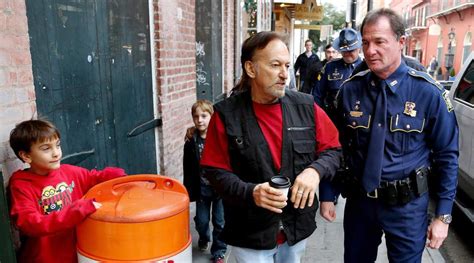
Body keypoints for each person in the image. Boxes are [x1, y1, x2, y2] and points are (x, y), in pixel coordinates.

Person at [320, 8, 459, 262]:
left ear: (401, 42)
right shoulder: (350, 91)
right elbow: (334, 146)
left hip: (407, 208)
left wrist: (443, 216)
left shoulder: (427, 93)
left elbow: (447, 155)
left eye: (379, 42)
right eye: (365, 43)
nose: (370, 50)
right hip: (360, 204)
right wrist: (327, 194)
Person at [200, 31, 341, 262]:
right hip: (250, 234)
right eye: (275, 65)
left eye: (286, 65)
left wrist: (315, 171)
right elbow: (215, 171)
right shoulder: (226, 115)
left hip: (296, 229)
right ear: (251, 69)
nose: (285, 74)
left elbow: (333, 150)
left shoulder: (306, 107)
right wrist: (251, 192)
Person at [8, 119, 126, 263]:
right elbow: (30, 223)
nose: (56, 153)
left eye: (57, 145)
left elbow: (94, 178)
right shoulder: (22, 185)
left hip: (77, 254)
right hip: (44, 258)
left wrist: (116, 176)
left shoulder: (69, 172)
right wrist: (76, 211)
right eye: (46, 148)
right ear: (26, 156)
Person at [183, 99, 226, 263]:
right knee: (201, 222)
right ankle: (204, 237)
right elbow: (187, 167)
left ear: (211, 117)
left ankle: (219, 252)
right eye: (196, 116)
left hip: (220, 189)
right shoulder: (191, 141)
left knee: (220, 222)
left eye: (204, 116)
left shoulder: (220, 137)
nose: (199, 120)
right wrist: (188, 190)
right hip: (201, 189)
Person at [315, 28, 363, 120]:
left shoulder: (367, 69)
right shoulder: (330, 67)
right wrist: (319, 118)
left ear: (358, 48)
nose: (347, 54)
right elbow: (317, 95)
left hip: (359, 123)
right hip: (333, 120)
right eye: (344, 51)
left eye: (351, 50)